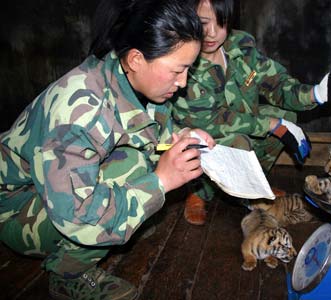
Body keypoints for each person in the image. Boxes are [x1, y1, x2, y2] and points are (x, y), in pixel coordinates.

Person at [0, 0, 215, 299]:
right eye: (178, 70)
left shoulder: (128, 74)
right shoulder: (81, 111)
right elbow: (78, 216)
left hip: (49, 189)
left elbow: (152, 135)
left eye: (188, 70)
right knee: (132, 168)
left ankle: (126, 213)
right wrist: (160, 182)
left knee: (137, 167)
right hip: (14, 207)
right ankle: (68, 276)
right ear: (137, 59)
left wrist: (185, 137)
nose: (182, 82)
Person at [171, 0, 331, 225]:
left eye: (222, 23)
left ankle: (255, 186)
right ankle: (200, 192)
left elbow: (276, 83)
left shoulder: (241, 46)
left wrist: (316, 94)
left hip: (243, 127)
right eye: (203, 23)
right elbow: (211, 121)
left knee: (286, 117)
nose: (212, 33)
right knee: (239, 140)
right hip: (204, 136)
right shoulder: (184, 59)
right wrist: (271, 125)